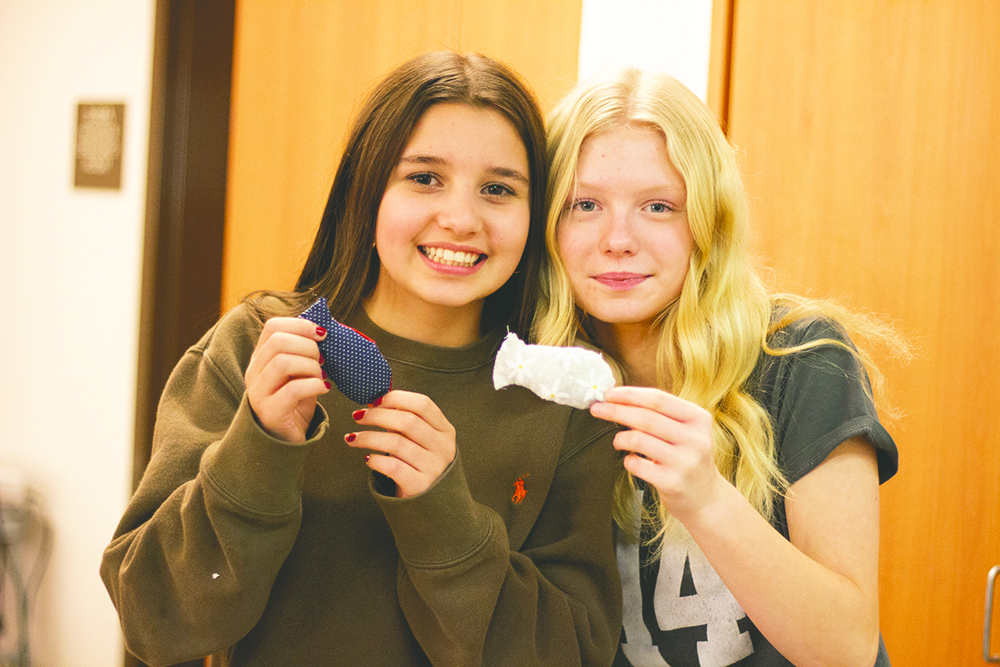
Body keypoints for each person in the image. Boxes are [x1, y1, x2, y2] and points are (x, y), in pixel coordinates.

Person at [101, 52, 622, 667]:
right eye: (424, 178)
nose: (459, 219)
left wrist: (445, 518)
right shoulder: (255, 347)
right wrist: (259, 445)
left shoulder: (564, 392)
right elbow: (153, 620)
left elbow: (573, 655)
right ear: (366, 188)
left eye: (498, 190)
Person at [534, 67, 910, 667]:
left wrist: (706, 498)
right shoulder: (536, 381)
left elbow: (848, 648)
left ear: (706, 221)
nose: (618, 239)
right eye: (585, 204)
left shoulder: (801, 359)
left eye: (658, 206)